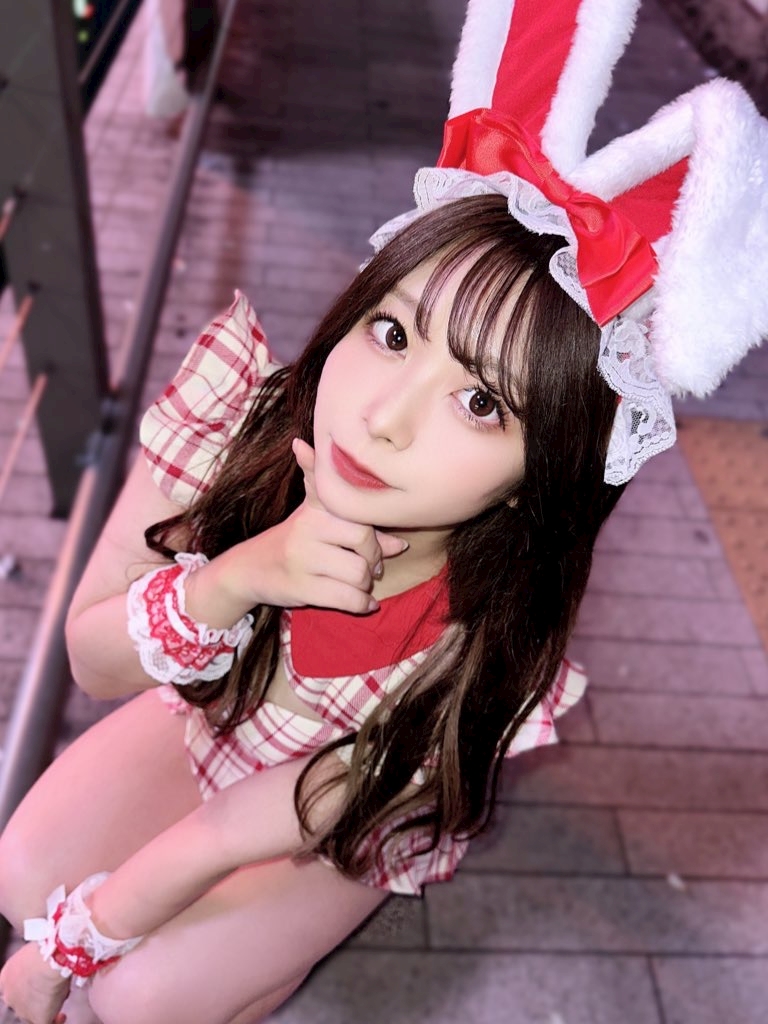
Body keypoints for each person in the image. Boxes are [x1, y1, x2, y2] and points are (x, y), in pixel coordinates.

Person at [1, 0, 767, 1021]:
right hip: (219, 719)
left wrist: (82, 937)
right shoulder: (239, 417)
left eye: (482, 402)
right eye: (394, 333)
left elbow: (242, 830)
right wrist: (240, 577)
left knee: (143, 999)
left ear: (539, 472)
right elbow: (92, 662)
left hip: (331, 821)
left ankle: (265, 974)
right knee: (21, 866)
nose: (382, 417)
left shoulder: (492, 622)